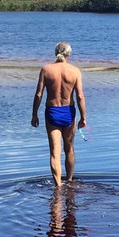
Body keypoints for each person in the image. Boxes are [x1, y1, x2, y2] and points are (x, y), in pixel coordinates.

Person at [31, 41, 87, 187]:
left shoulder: (46, 70)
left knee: (55, 152)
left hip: (53, 112)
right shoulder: (75, 71)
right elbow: (80, 96)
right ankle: (69, 181)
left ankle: (58, 186)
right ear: (69, 53)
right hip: (68, 112)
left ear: (56, 52)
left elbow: (38, 94)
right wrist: (83, 118)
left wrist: (34, 114)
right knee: (69, 148)